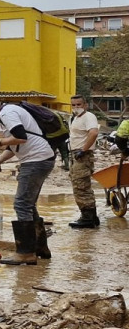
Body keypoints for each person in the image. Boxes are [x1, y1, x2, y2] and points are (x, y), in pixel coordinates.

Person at [0, 93, 54, 266]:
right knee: (29, 205)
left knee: (21, 204)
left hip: (36, 160)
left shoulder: (7, 113)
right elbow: (14, 145)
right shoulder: (4, 115)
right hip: (38, 158)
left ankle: (25, 253)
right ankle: (40, 247)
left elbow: (21, 137)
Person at [67, 95, 100, 229]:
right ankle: (91, 217)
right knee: (78, 184)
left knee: (81, 186)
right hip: (75, 153)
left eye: (79, 105)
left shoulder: (89, 117)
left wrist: (83, 150)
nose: (76, 107)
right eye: (73, 105)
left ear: (85, 105)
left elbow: (93, 133)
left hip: (82, 154)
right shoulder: (74, 118)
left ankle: (87, 218)